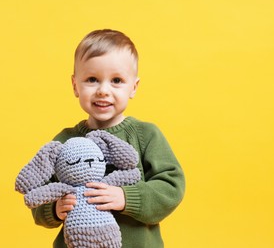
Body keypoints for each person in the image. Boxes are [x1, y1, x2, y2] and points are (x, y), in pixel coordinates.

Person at [31, 29, 185, 247]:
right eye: (92, 79)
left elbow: (171, 186)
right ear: (75, 85)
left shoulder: (146, 135)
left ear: (134, 87)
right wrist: (54, 210)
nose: (103, 90)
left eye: (117, 80)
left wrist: (127, 197)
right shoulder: (64, 141)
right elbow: (38, 193)